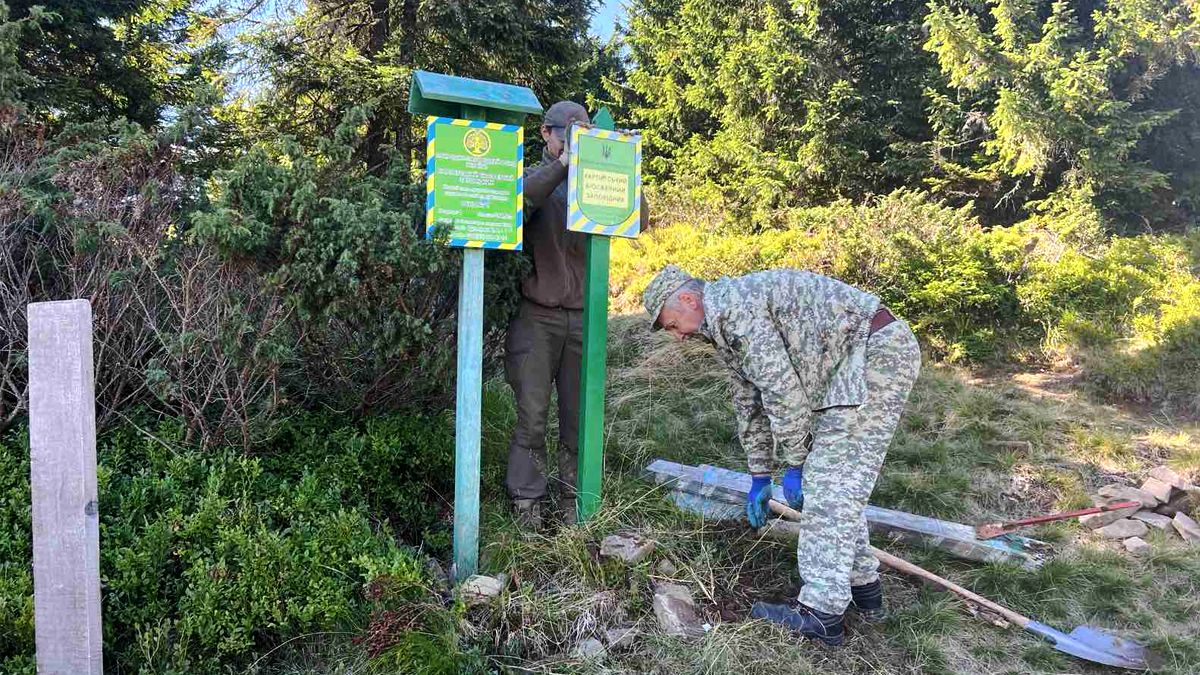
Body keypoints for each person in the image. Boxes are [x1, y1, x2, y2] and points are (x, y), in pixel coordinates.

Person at [642, 265, 921, 645]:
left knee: (830, 484)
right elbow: (749, 404)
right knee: (836, 485)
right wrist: (759, 475)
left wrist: (795, 462)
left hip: (873, 355)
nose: (677, 337)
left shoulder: (734, 311)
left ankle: (822, 613)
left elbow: (782, 393)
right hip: (842, 368)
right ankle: (864, 591)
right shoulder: (723, 325)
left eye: (672, 325)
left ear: (689, 300)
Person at [505, 101, 648, 529]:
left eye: (581, 133)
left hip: (584, 321)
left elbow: (639, 219)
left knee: (577, 417)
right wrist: (564, 164)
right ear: (546, 135)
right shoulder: (534, 175)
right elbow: (521, 200)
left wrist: (619, 162)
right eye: (565, 134)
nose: (573, 141)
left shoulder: (596, 181)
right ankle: (527, 502)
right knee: (531, 415)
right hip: (537, 317)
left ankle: (574, 502)